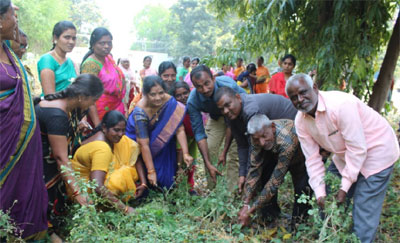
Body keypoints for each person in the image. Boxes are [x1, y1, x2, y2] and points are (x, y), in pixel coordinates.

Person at [286, 73, 400, 243]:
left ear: (315, 88)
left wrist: (345, 187)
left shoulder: (340, 105)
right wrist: (319, 193)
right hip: (345, 156)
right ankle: (332, 236)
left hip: (378, 152)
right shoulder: (300, 121)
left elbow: (357, 148)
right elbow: (312, 159)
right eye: (294, 97)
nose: (300, 99)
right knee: (329, 200)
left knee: (363, 214)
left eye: (303, 92)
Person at [35, 74, 104, 238]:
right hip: (41, 167)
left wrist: (78, 126)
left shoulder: (70, 107)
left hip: (50, 164)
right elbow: (61, 158)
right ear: (81, 97)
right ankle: (47, 234)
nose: (93, 104)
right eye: (93, 100)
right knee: (43, 209)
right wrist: (77, 191)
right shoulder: (57, 115)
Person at [1, 1, 47, 240]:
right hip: (3, 142)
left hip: (24, 144)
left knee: (21, 192)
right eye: (12, 15)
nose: (16, 20)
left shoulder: (8, 51)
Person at [214, 86, 298, 194]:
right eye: (221, 109)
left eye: (228, 105)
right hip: (272, 134)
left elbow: (255, 152)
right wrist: (242, 175)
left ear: (238, 97)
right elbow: (242, 145)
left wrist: (249, 180)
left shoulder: (251, 110)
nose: (225, 111)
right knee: (263, 173)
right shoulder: (231, 116)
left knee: (295, 172)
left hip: (293, 125)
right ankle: (269, 209)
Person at [237, 115, 312, 228]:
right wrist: (245, 204)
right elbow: (254, 170)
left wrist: (250, 211)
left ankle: (298, 226)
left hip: (303, 157)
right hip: (276, 153)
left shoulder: (286, 142)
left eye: (264, 136)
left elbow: (274, 183)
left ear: (272, 128)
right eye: (257, 139)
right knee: (264, 175)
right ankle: (270, 218)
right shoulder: (256, 136)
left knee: (302, 189)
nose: (261, 142)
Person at [71, 110, 148, 213]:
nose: (120, 134)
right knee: (120, 177)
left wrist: (143, 183)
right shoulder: (101, 148)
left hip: (96, 186)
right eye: (116, 130)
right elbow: (97, 186)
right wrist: (125, 209)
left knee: (127, 170)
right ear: (104, 127)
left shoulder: (116, 139)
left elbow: (135, 154)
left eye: (123, 130)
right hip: (84, 192)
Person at [126, 76, 193, 189]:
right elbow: (144, 144)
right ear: (145, 94)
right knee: (150, 182)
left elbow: (179, 129)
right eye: (153, 94)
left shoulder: (169, 101)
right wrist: (151, 171)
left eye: (161, 93)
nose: (158, 98)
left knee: (167, 181)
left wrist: (186, 153)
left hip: (163, 142)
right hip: (140, 144)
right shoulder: (140, 112)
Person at [187, 65, 246, 191]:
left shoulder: (229, 85)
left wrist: (225, 150)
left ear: (213, 78)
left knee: (234, 155)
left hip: (236, 117)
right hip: (216, 118)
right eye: (199, 87)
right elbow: (199, 134)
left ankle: (232, 194)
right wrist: (208, 163)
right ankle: (212, 191)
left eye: (207, 83)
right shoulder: (193, 101)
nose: (205, 89)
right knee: (209, 149)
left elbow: (246, 103)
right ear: (194, 87)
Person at [81, 27, 126, 120]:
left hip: (116, 108)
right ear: (93, 44)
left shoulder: (109, 58)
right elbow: (88, 96)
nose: (106, 46)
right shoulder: (91, 64)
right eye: (102, 43)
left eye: (109, 43)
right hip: (99, 113)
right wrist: (98, 126)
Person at [37, 21, 77, 95]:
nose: (71, 42)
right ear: (55, 38)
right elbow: (50, 96)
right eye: (67, 37)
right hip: (53, 105)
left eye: (74, 38)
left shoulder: (72, 62)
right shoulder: (47, 60)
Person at [171, 81, 197, 193]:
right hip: (181, 139)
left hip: (193, 137)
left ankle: (190, 187)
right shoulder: (176, 110)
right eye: (178, 95)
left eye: (185, 93)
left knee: (192, 162)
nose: (183, 97)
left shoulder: (194, 104)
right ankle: (179, 189)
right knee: (181, 163)